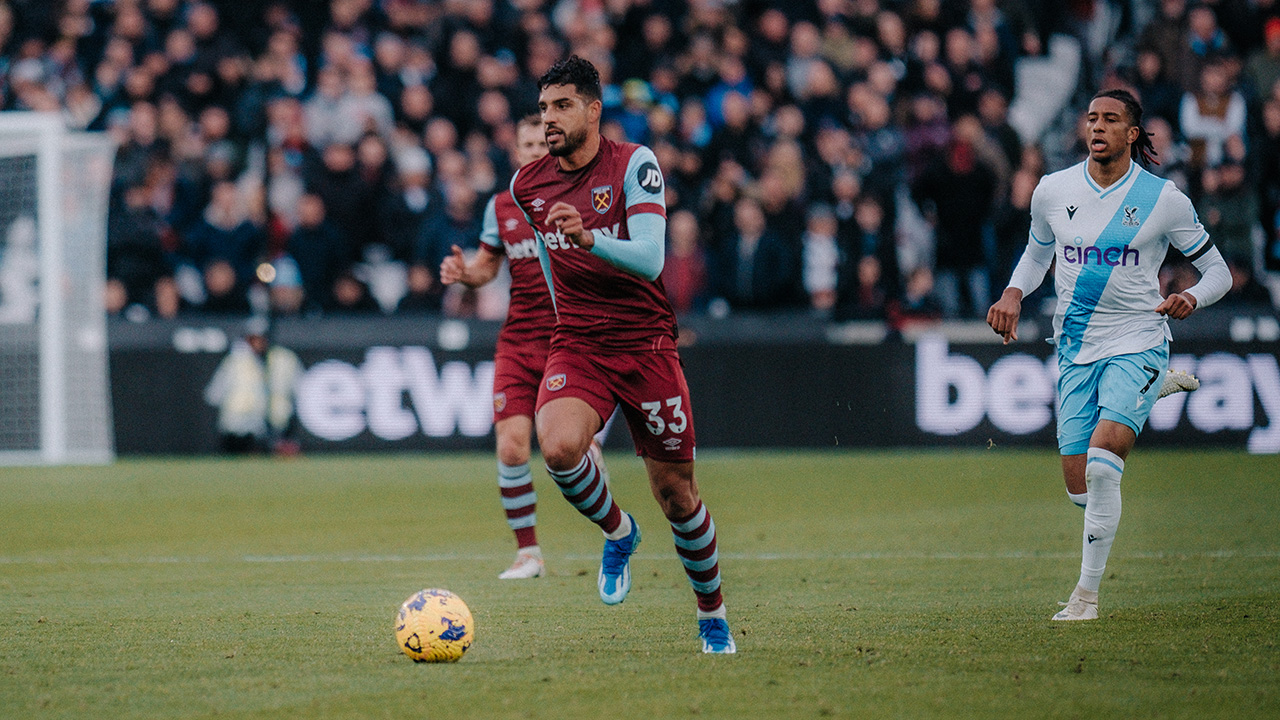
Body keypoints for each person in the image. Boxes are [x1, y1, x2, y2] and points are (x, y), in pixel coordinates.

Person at [509, 56, 734, 653]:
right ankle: (619, 530)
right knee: (557, 446)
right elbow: (552, 267)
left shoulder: (635, 163)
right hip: (580, 340)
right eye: (543, 108)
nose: (548, 119)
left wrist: (590, 237)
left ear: (592, 109)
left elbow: (653, 258)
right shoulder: (527, 184)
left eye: (561, 106)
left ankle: (711, 614)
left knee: (677, 496)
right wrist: (562, 316)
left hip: (646, 344)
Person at [986, 89, 1231, 621]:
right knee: (1080, 488)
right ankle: (1154, 390)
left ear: (1132, 133)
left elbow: (1220, 272)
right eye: (1092, 118)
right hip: (1075, 347)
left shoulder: (1163, 199)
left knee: (1102, 468)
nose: (1097, 126)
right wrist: (1012, 292)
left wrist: (1192, 295)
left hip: (1139, 338)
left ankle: (1086, 596)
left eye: (1110, 119)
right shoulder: (1053, 190)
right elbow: (1037, 251)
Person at [439, 115, 610, 580]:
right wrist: (464, 273)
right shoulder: (502, 204)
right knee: (512, 448)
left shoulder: (580, 198)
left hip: (572, 338)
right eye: (527, 143)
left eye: (542, 142)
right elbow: (487, 267)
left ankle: (610, 521)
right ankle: (528, 554)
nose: (535, 150)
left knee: (571, 451)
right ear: (515, 150)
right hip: (518, 340)